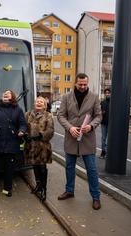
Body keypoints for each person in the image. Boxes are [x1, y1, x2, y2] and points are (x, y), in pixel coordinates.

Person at [57, 73, 102, 210]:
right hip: (71, 137)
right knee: (69, 167)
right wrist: (70, 128)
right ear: (75, 83)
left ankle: (96, 197)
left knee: (92, 169)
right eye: (80, 84)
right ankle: (69, 191)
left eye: (85, 84)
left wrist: (91, 126)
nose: (82, 86)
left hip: (87, 139)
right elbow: (60, 115)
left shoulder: (94, 97)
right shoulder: (66, 97)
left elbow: (98, 116)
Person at [0, 90, 27, 197]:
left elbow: (23, 124)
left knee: (9, 169)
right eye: (4, 93)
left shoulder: (18, 110)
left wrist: (22, 131)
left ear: (12, 97)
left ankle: (7, 188)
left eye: (8, 93)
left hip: (12, 143)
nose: (5, 94)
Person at [24, 96, 54, 201]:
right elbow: (23, 126)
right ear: (34, 103)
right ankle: (38, 186)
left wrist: (41, 135)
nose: (39, 103)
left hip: (43, 147)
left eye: (41, 102)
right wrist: (24, 135)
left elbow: (50, 130)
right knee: (35, 167)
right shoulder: (27, 114)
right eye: (37, 101)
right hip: (31, 146)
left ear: (45, 105)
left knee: (42, 168)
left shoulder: (48, 115)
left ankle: (44, 189)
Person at [99, 88, 111, 159]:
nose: (107, 94)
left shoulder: (113, 102)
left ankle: (107, 152)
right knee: (103, 138)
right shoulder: (102, 102)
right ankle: (103, 152)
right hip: (103, 123)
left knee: (107, 139)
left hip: (110, 124)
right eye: (106, 93)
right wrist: (101, 113)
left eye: (108, 93)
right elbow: (99, 112)